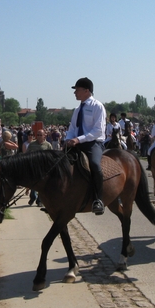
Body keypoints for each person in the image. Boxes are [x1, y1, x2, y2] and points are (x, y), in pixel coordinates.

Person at [65, 77, 106, 215]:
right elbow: (72, 128)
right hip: (77, 142)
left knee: (94, 165)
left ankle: (98, 199)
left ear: (87, 91)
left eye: (77, 90)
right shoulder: (77, 109)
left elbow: (98, 131)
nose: (75, 93)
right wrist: (68, 139)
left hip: (93, 143)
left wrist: (78, 139)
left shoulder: (97, 106)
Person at [26, 129, 53, 206]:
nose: (39, 136)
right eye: (38, 135)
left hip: (43, 168)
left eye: (41, 135)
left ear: (44, 135)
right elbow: (27, 154)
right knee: (33, 184)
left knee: (41, 184)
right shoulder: (32, 144)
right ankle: (33, 197)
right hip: (33, 167)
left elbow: (51, 156)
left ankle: (39, 200)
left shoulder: (48, 145)